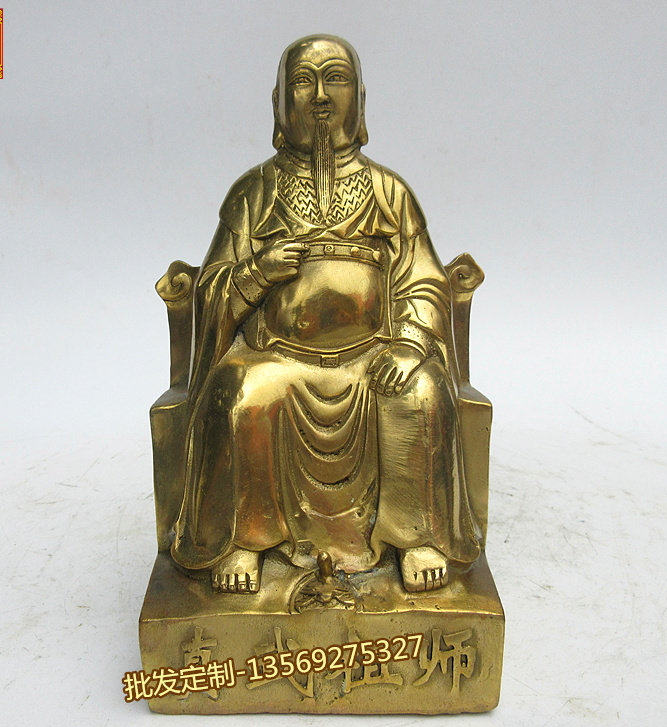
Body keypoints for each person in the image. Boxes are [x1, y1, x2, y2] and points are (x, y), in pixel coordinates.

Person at [171, 35, 481, 594]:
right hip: (279, 359)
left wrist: (410, 345)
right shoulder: (254, 192)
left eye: (335, 78)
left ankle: (416, 536)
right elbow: (212, 288)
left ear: (359, 98)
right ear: (278, 103)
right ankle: (245, 538)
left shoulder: (389, 191)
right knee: (238, 394)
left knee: (422, 392)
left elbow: (424, 281)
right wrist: (257, 272)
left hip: (372, 356)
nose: (319, 96)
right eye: (302, 81)